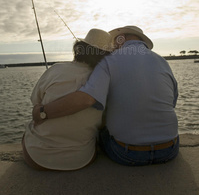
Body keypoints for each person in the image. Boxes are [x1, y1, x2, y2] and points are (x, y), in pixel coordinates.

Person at [33, 25, 179, 166]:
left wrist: (43, 112)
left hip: (127, 154)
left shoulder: (110, 60)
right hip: (170, 149)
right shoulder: (162, 61)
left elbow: (86, 99)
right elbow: (172, 101)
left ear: (121, 39)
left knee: (102, 128)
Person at [22, 28, 112, 171]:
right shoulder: (106, 83)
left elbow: (35, 101)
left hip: (37, 157)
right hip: (81, 159)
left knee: (26, 132)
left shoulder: (56, 69)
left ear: (80, 48)